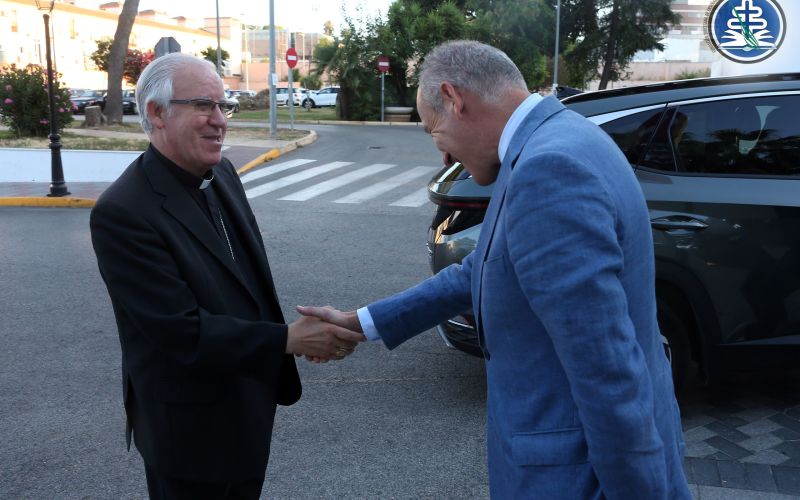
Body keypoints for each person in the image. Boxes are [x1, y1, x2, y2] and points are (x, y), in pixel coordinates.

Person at [299, 41, 691, 499]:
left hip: (578, 478)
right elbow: (482, 270)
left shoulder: (548, 169)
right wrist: (362, 323)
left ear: (454, 99)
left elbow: (606, 370)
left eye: (433, 131)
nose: (442, 156)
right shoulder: (557, 138)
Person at [90, 52, 364, 499]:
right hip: (188, 432)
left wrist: (300, 334)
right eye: (203, 105)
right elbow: (178, 333)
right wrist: (289, 340)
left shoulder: (221, 173)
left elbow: (248, 281)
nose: (219, 120)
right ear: (157, 113)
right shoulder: (123, 212)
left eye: (224, 105)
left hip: (245, 404)